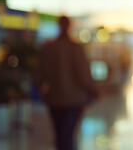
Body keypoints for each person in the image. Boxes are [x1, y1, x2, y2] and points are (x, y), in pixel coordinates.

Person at [35, 16, 99, 150]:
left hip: (54, 99)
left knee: (59, 136)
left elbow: (38, 76)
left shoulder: (47, 48)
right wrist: (94, 91)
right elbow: (83, 76)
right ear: (69, 26)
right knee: (68, 136)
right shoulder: (75, 48)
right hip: (73, 100)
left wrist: (43, 91)